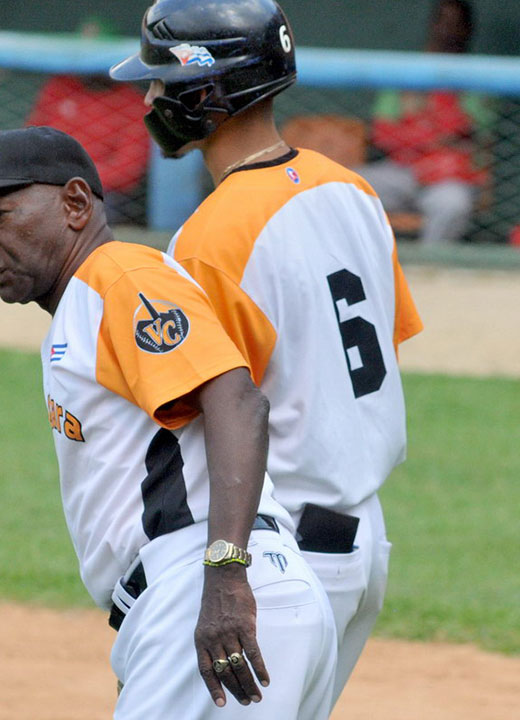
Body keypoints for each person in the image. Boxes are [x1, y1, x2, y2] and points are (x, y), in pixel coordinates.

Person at [0, 126, 336, 718]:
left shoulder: (120, 278)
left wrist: (223, 575)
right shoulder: (86, 301)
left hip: (210, 585)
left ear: (75, 203)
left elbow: (238, 402)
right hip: (217, 593)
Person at [110, 0, 423, 706]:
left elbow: (222, 409)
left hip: (278, 553)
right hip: (363, 541)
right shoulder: (351, 189)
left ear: (206, 94)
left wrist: (220, 565)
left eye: (161, 83)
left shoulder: (209, 238)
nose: (151, 98)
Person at [358, 0, 493, 245]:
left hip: (447, 178)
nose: (449, 30)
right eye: (444, 21)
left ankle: (430, 268)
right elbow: (382, 134)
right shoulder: (406, 71)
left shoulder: (480, 77)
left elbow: (472, 135)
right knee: (349, 186)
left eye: (457, 24)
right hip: (403, 171)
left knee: (453, 205)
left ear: (468, 29)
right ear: (433, 24)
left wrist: (416, 131)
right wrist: (436, 137)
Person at [25, 18, 150, 226]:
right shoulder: (59, 87)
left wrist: (70, 180)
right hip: (47, 182)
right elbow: (31, 139)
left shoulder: (134, 103)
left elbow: (127, 172)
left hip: (102, 192)